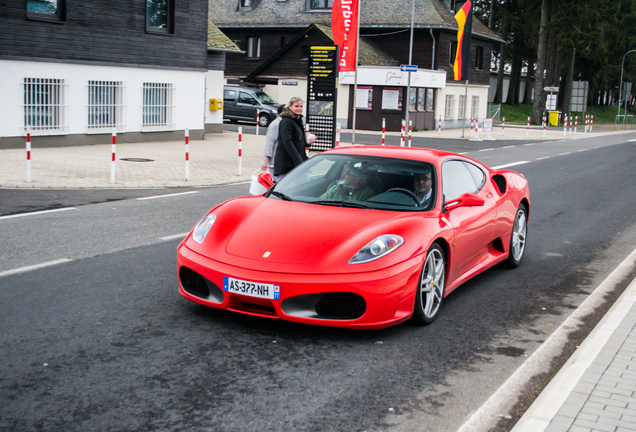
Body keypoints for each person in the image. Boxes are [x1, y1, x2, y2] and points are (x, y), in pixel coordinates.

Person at [273, 97, 314, 182]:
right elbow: (287, 142)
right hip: (287, 164)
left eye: (301, 106)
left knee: (303, 186)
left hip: (295, 163)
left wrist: (307, 143)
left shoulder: (297, 120)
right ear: (290, 107)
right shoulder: (286, 121)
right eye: (296, 106)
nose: (299, 108)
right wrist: (299, 162)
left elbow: (297, 140)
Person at [261, 104, 285, 176]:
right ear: (281, 113)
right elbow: (269, 143)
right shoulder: (275, 124)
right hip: (275, 162)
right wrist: (266, 160)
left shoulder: (287, 123)